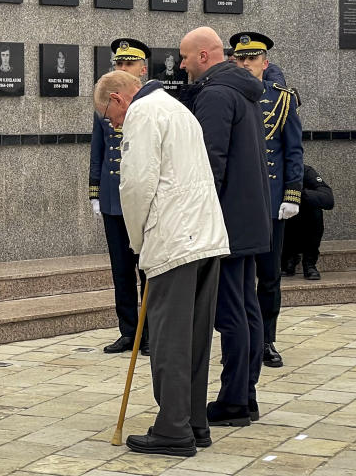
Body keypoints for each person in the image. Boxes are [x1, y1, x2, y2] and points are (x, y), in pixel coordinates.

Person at [97, 70, 229, 457]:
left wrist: (138, 242)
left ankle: (173, 430)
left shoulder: (142, 113)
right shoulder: (177, 108)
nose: (112, 124)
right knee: (195, 338)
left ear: (119, 99)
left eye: (109, 116)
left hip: (173, 239)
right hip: (205, 236)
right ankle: (194, 422)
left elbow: (136, 185)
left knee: (170, 340)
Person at [179, 26, 270, 426]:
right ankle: (245, 394)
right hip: (248, 218)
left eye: (184, 57)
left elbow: (209, 165)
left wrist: (196, 220)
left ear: (203, 56)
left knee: (230, 312)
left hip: (226, 220)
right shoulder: (241, 89)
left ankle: (234, 401)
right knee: (248, 310)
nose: (180, 65)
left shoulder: (216, 94)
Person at [232, 32, 303, 369]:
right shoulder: (224, 95)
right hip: (237, 203)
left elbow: (293, 150)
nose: (246, 64)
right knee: (238, 276)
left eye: (252, 58)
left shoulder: (283, 99)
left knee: (270, 275)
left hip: (272, 201)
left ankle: (267, 339)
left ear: (265, 62)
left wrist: (292, 193)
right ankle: (241, 335)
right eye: (241, 58)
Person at [89, 38, 150, 355]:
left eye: (128, 64)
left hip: (140, 199)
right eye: (118, 64)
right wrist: (95, 190)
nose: (121, 69)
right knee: (121, 271)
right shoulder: (106, 104)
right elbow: (98, 151)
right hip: (114, 199)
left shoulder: (150, 106)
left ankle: (149, 332)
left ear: (142, 68)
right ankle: (128, 331)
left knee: (145, 268)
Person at [282, 164, 335, 280]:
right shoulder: (270, 171)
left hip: (303, 222)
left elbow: (328, 199)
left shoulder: (305, 171)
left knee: (314, 210)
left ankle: (309, 262)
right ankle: (287, 258)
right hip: (281, 226)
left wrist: (297, 195)